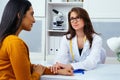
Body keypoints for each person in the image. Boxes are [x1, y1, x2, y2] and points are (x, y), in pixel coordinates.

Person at [0, 0, 73, 80]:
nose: (34, 20)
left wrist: (58, 71)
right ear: (19, 15)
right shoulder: (15, 43)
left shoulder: (6, 40)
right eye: (31, 14)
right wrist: (37, 74)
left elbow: (27, 67)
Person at [50, 7, 106, 72]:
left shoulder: (96, 39)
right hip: (75, 73)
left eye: (78, 18)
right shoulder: (66, 38)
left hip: (93, 71)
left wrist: (71, 66)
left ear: (85, 20)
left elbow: (91, 62)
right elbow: (61, 56)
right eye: (72, 19)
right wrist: (58, 64)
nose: (74, 21)